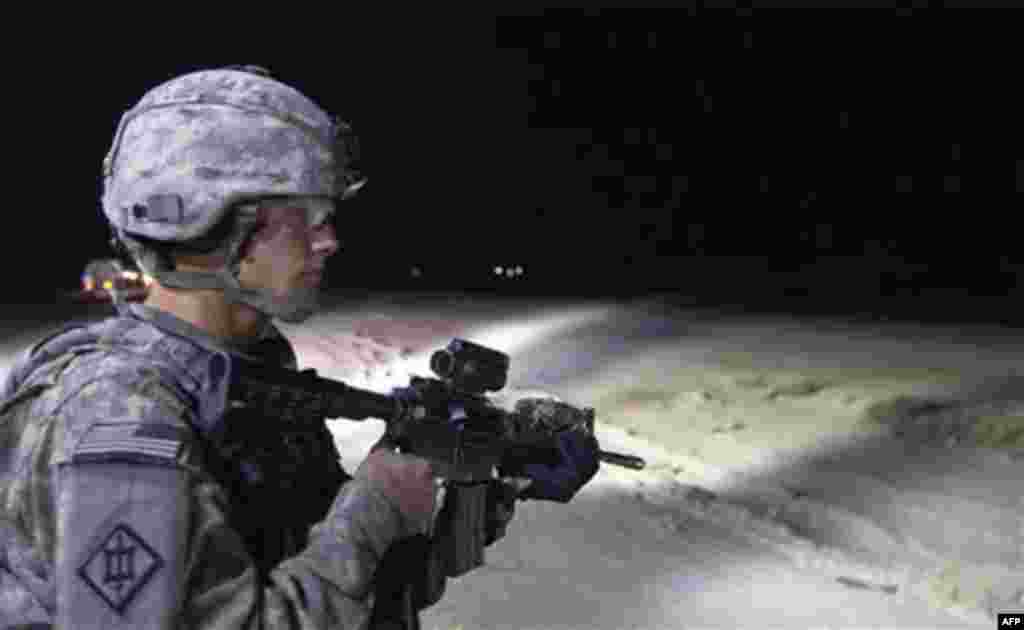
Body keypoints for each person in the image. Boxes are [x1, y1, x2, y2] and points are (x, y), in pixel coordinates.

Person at [0, 65, 600, 629]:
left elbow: (357, 595)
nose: (329, 240)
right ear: (216, 222)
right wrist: (372, 515)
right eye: (308, 215)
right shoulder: (116, 416)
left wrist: (493, 490)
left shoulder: (242, 379)